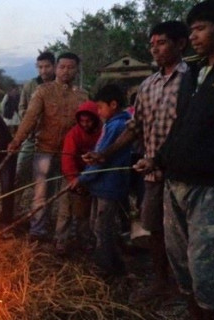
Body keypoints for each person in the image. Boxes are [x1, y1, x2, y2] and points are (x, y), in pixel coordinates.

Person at [135, 1, 214, 318]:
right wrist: (157, 159)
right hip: (173, 181)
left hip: (211, 188)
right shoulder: (196, 75)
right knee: (182, 268)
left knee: (206, 270)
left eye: (200, 28)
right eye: (191, 30)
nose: (194, 36)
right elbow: (181, 125)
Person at [84, 21, 190, 302]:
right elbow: (135, 128)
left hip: (187, 174)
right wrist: (103, 154)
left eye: (162, 42)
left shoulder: (194, 79)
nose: (155, 48)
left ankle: (191, 288)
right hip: (153, 176)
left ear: (181, 44)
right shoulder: (148, 85)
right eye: (152, 44)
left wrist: (160, 158)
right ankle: (162, 282)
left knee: (187, 232)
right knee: (155, 229)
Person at [8, 52, 88, 242]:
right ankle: (38, 231)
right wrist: (17, 140)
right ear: (56, 68)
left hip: (69, 154)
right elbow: (29, 118)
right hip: (44, 150)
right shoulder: (43, 91)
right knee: (41, 193)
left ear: (76, 70)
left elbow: (87, 126)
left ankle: (62, 237)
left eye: (70, 67)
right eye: (62, 67)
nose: (66, 71)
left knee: (66, 197)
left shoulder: (83, 96)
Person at [72, 84, 131, 277]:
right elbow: (99, 155)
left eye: (100, 107)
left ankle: (105, 269)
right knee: (99, 225)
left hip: (109, 185)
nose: (98, 111)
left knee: (102, 228)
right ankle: (113, 264)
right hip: (102, 185)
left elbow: (101, 160)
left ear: (113, 105)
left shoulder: (117, 126)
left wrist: (82, 178)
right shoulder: (113, 124)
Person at [54, 100, 101, 255]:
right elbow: (67, 158)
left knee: (83, 214)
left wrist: (84, 180)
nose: (85, 124)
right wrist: (73, 178)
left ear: (95, 119)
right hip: (70, 177)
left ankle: (84, 241)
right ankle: (61, 241)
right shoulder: (73, 134)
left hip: (89, 178)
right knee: (65, 211)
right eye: (82, 121)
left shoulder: (102, 133)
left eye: (88, 121)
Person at [14, 51, 56, 212]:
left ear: (53, 66)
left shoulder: (58, 86)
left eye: (47, 67)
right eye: (40, 67)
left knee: (46, 180)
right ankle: (14, 209)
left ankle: (42, 213)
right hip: (31, 138)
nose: (44, 71)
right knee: (20, 172)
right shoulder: (30, 85)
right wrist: (31, 121)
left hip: (50, 140)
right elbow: (22, 107)